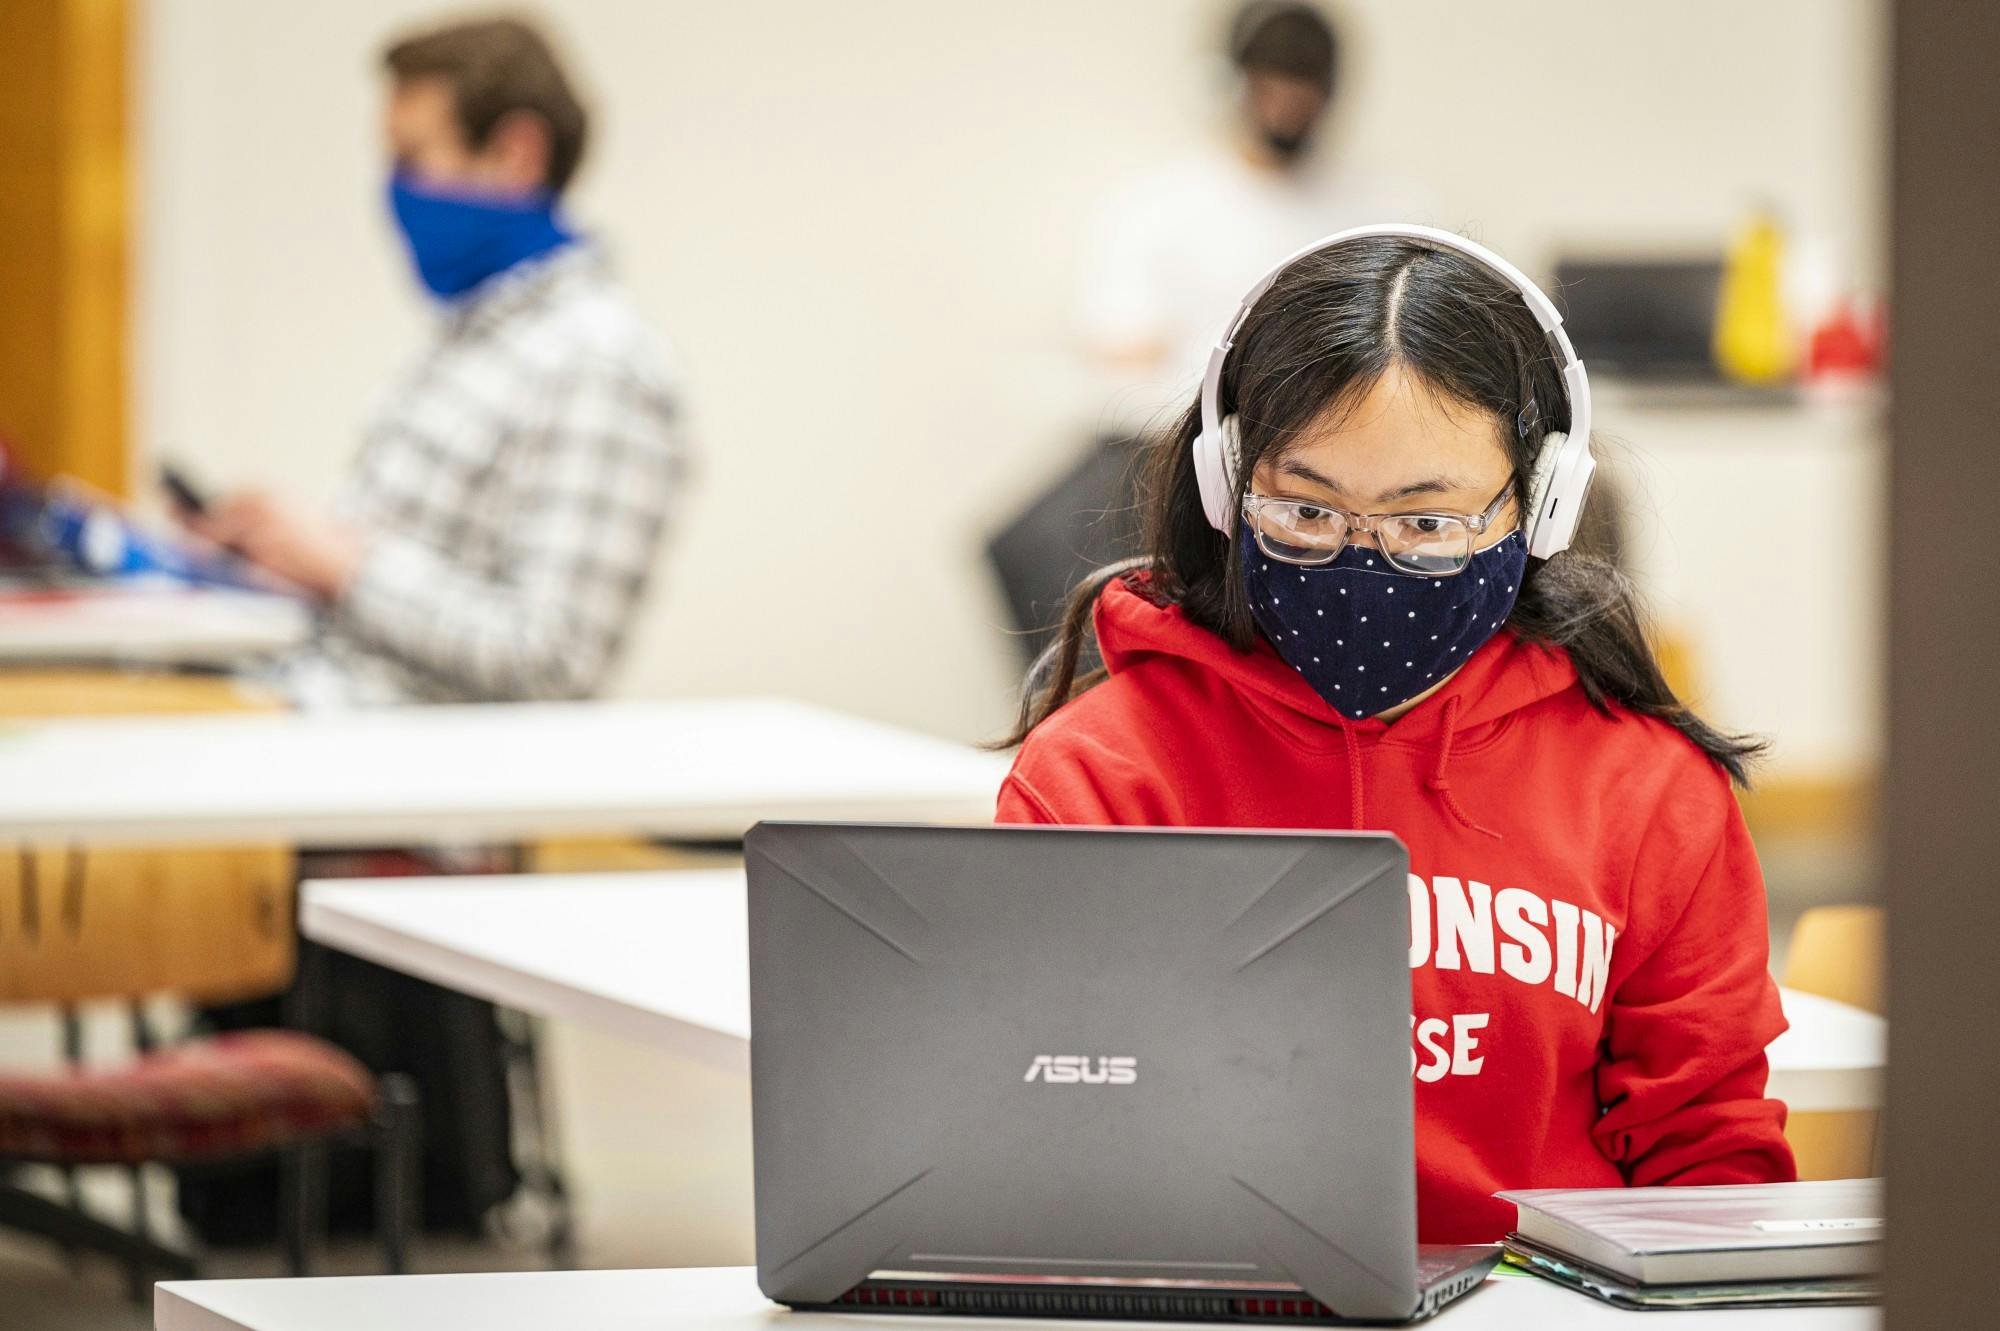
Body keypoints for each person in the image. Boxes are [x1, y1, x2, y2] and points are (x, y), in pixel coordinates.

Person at [999, 225, 1796, 1244]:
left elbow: (1708, 1165)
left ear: (1537, 508)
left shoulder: (1644, 790)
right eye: (1304, 509)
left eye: (1427, 522)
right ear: (1224, 485)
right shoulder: (1101, 775)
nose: (1358, 561)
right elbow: (1040, 1141)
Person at [190, 16, 687, 705]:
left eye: (414, 158)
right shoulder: (477, 340)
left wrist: (344, 565)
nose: (394, 190)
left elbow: (553, 657)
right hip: (310, 702)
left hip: (405, 776)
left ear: (516, 152)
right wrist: (276, 552)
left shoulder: (599, 365)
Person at [1077, 2, 1431, 395]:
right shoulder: (1156, 207)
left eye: (1303, 96)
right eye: (1271, 91)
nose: (1286, 111)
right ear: (1231, 84)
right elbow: (1120, 349)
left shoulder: (1386, 212)